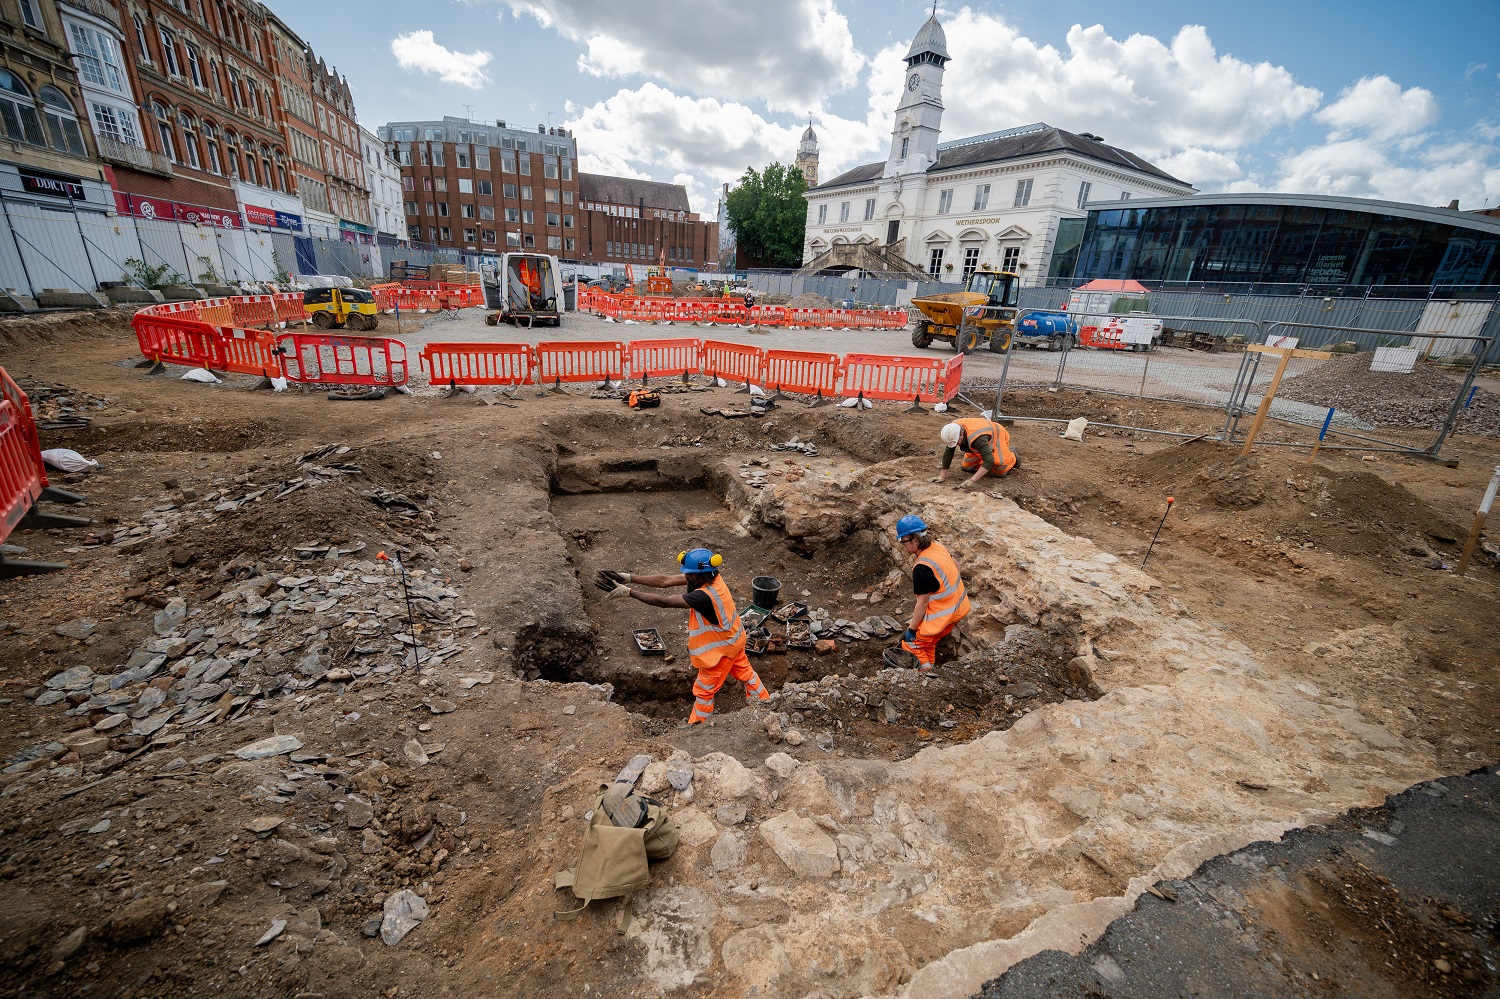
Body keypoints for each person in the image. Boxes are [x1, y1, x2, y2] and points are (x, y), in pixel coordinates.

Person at [596, 549, 770, 724]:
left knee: (704, 692)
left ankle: (697, 727)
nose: (686, 577)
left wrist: (630, 593)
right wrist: (629, 578)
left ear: (698, 574)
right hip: (735, 640)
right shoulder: (713, 577)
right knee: (747, 674)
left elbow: (664, 602)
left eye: (689, 575)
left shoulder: (704, 596)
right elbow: (666, 581)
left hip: (719, 653)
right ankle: (765, 705)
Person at [884, 515, 971, 673]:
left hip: (943, 615)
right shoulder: (937, 546)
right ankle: (930, 667)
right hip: (959, 606)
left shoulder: (922, 568)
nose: (902, 546)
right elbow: (956, 567)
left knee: (912, 644)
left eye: (903, 541)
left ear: (915, 540)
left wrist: (911, 630)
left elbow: (922, 603)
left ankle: (926, 675)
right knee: (927, 642)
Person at [931, 418, 1018, 489]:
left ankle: (1012, 455)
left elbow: (989, 460)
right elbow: (949, 451)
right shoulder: (953, 430)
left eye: (957, 442)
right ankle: (984, 460)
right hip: (977, 442)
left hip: (997, 435)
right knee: (966, 467)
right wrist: (942, 476)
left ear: (961, 434)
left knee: (1000, 470)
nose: (956, 444)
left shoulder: (977, 438)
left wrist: (972, 480)